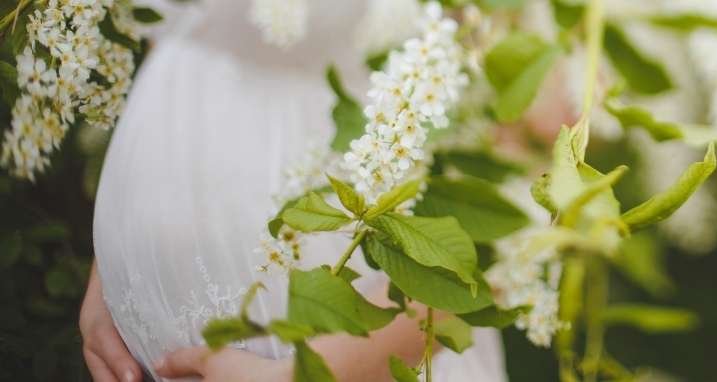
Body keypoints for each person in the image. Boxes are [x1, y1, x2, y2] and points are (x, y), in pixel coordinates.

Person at [77, 0, 506, 380]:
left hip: (359, 354)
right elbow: (185, 31)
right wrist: (110, 281)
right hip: (140, 351)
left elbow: (524, 182)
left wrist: (317, 372)